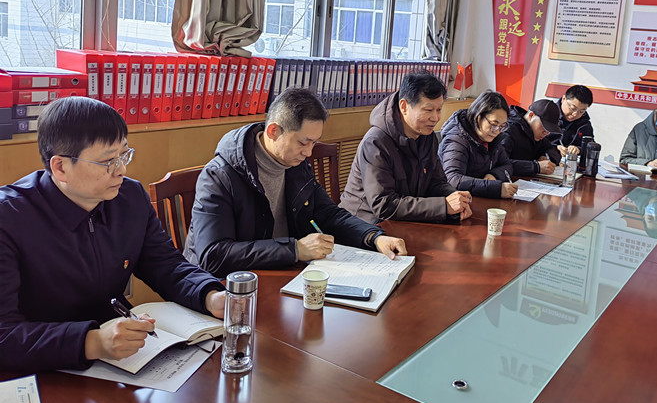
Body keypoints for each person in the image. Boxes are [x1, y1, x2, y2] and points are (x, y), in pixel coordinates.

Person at [0, 97, 226, 374]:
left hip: (120, 357)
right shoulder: (9, 218)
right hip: (42, 367)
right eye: (108, 161)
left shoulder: (129, 196)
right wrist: (91, 342)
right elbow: (4, 336)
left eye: (124, 155)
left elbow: (165, 264)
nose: (122, 170)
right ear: (60, 167)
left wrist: (210, 295)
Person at [183, 88, 406, 277]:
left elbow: (328, 214)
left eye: (314, 143)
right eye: (303, 143)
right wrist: (294, 249)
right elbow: (213, 255)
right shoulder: (220, 176)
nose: (308, 153)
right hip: (225, 288)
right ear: (273, 131)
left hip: (281, 273)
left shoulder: (295, 164)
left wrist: (373, 237)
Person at [340, 72, 472, 224]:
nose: (435, 118)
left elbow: (436, 182)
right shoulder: (376, 142)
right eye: (428, 110)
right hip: (365, 223)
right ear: (404, 107)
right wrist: (443, 206)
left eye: (439, 110)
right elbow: (383, 205)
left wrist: (456, 199)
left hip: (405, 220)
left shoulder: (426, 135)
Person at [438, 90, 518, 199]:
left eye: (502, 126)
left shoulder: (492, 139)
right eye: (494, 124)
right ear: (479, 117)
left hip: (478, 197)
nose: (497, 131)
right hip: (456, 200)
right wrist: (495, 188)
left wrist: (494, 175)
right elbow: (453, 179)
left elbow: (507, 165)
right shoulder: (457, 140)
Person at [496, 99, 561, 177]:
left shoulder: (536, 133)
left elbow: (553, 149)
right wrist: (536, 167)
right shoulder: (509, 130)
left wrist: (546, 157)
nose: (546, 133)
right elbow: (500, 162)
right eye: (544, 127)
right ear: (531, 115)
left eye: (549, 130)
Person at [553, 85, 594, 157]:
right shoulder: (547, 114)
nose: (575, 114)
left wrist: (579, 149)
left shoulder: (584, 123)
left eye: (581, 111)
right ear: (563, 99)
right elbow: (534, 141)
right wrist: (552, 148)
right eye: (573, 108)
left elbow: (591, 146)